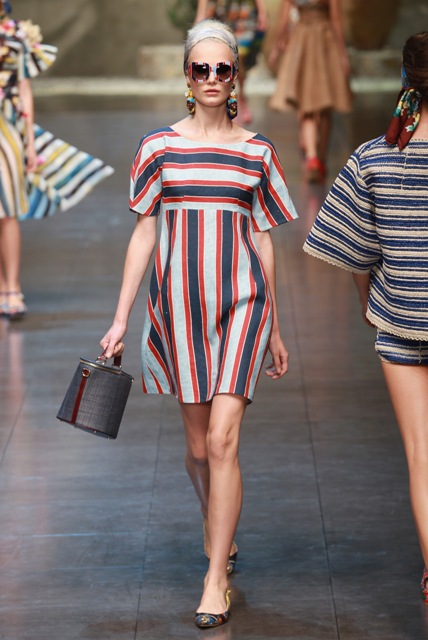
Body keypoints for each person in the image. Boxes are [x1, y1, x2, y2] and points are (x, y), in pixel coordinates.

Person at [100, 19, 298, 628]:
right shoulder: (157, 147)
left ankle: (215, 580)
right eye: (200, 68)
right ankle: (218, 525)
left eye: (222, 69)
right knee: (196, 450)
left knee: (221, 442)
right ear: (186, 76)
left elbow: (263, 239)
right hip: (178, 309)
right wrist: (120, 318)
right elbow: (144, 232)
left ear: (236, 77)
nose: (212, 78)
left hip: (243, 305)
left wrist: (274, 326)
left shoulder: (258, 152)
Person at [303, 32, 428, 604]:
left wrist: (368, 304)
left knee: (421, 456)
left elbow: (354, 252)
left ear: (407, 83)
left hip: (399, 322)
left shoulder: (375, 157)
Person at [0, 1, 113, 320]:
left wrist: (29, 142)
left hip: (6, 128)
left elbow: (24, 89)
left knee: (8, 208)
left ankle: (12, 287)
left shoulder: (15, 37)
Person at [268, 0, 351, 182]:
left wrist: (276, 48)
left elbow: (284, 21)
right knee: (325, 105)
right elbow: (336, 19)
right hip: (324, 41)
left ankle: (312, 158)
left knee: (305, 104)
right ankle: (321, 158)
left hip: (302, 40)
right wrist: (343, 54)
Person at [195, 0, 268, 124]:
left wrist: (262, 12)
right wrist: (201, 14)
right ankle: (228, 100)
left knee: (239, 57)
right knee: (223, 57)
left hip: (243, 13)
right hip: (220, 12)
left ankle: (241, 97)